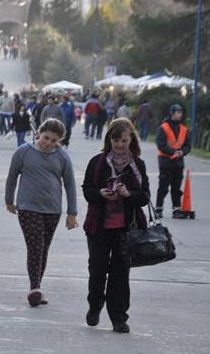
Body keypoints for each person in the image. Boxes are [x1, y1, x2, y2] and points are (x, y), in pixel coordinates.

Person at [82, 118, 149, 333]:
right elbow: (87, 191)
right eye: (116, 139)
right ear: (109, 139)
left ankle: (119, 317)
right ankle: (95, 306)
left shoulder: (137, 165)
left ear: (131, 141)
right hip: (99, 228)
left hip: (126, 230)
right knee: (97, 270)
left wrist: (128, 194)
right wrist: (101, 194)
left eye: (124, 140)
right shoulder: (98, 162)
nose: (120, 144)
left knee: (121, 275)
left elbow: (144, 197)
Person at [5, 119, 78, 306]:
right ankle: (34, 288)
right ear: (39, 133)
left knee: (43, 249)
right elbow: (12, 176)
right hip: (28, 207)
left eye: (54, 140)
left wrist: (72, 213)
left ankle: (37, 287)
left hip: (53, 209)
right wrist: (9, 200)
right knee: (36, 246)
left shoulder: (62, 156)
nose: (49, 143)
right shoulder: (23, 151)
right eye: (46, 138)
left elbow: (70, 184)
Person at [155, 104, 191, 218]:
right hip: (165, 161)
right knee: (163, 186)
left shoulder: (184, 129)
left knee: (176, 187)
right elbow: (160, 144)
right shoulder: (163, 127)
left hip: (178, 162)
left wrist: (182, 152)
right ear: (172, 113)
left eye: (181, 112)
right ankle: (158, 208)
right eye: (178, 112)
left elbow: (187, 145)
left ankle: (176, 210)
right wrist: (172, 152)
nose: (180, 114)